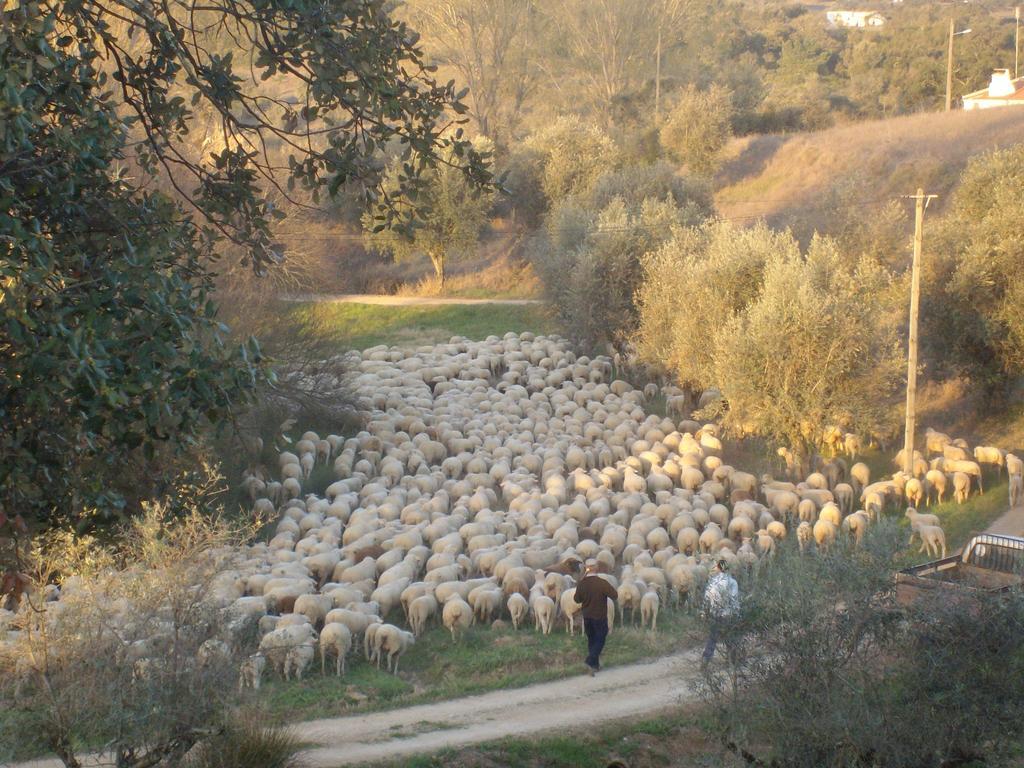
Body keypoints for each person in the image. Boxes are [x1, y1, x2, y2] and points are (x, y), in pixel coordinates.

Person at [573, 560, 618, 676]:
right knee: (601, 638)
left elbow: (577, 599)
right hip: (599, 616)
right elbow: (614, 595)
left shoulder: (582, 583)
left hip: (587, 616)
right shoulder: (601, 583)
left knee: (592, 640)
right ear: (596, 568)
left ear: (586, 568)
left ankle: (594, 666)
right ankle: (590, 659)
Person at [701, 557, 739, 669]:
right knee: (730, 638)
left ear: (718, 568)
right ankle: (732, 662)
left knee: (712, 638)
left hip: (714, 614)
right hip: (728, 614)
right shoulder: (732, 582)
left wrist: (704, 612)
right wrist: (736, 612)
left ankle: (705, 660)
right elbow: (734, 598)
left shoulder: (712, 582)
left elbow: (706, 598)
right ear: (728, 568)